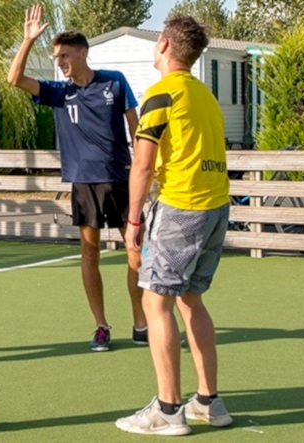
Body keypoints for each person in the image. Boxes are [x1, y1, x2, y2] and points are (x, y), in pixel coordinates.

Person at [115, 16, 233, 436]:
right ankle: (208, 402)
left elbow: (143, 163)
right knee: (190, 301)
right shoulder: (205, 95)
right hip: (217, 207)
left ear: (164, 44)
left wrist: (132, 221)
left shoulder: (161, 93)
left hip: (182, 206)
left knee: (155, 302)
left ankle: (168, 409)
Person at [6, 4, 146, 352]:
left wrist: (146, 173)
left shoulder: (115, 81)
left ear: (83, 53)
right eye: (56, 56)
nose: (60, 61)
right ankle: (101, 326)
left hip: (121, 180)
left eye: (65, 55)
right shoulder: (59, 92)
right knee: (89, 252)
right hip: (83, 183)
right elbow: (14, 79)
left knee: (135, 251)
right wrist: (28, 41)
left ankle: (141, 322)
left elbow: (137, 130)